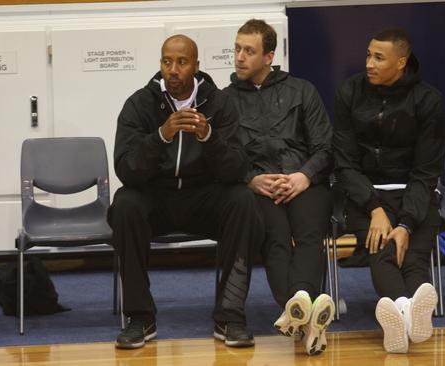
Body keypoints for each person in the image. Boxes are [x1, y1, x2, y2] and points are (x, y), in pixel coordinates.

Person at [108, 34, 264, 349]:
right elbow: (126, 170)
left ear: (196, 65)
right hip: (157, 198)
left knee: (242, 200)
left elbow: (236, 170)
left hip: (203, 197)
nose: (173, 70)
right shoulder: (140, 103)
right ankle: (140, 317)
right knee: (125, 204)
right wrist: (161, 136)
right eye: (167, 62)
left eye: (181, 62)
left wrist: (210, 137)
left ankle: (230, 315)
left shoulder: (220, 103)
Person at [224, 19, 335, 356]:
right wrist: (250, 179)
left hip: (304, 182)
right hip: (260, 187)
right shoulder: (225, 100)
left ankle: (297, 306)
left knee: (309, 233)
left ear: (269, 56)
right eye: (237, 49)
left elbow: (325, 148)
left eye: (249, 51)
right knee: (275, 239)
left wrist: (303, 176)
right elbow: (222, 156)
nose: (240, 57)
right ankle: (305, 312)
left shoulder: (302, 90)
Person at [333, 28, 445, 354]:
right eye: (368, 54)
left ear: (401, 62)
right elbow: (344, 162)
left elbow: (426, 171)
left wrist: (407, 223)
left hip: (415, 191)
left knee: (412, 250)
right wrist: (374, 208)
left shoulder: (427, 100)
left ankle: (401, 312)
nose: (369, 63)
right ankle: (406, 309)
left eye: (378, 58)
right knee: (380, 245)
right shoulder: (349, 92)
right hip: (364, 193)